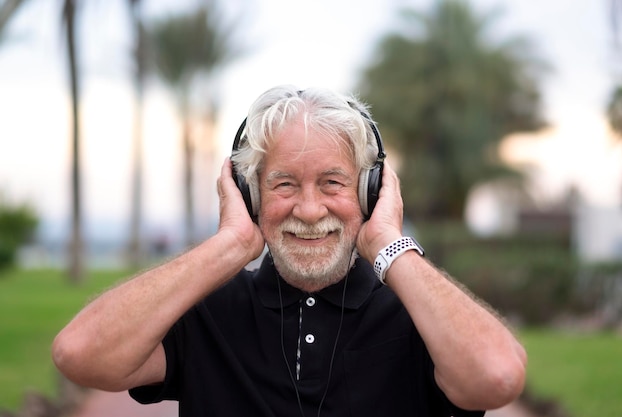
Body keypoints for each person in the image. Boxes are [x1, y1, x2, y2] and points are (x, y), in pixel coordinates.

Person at [52, 85, 527, 417]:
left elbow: (497, 376)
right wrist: (230, 245)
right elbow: (80, 354)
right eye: (283, 184)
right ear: (250, 195)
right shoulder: (204, 312)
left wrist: (388, 244)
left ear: (371, 192)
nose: (309, 208)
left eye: (333, 183)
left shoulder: (420, 315)